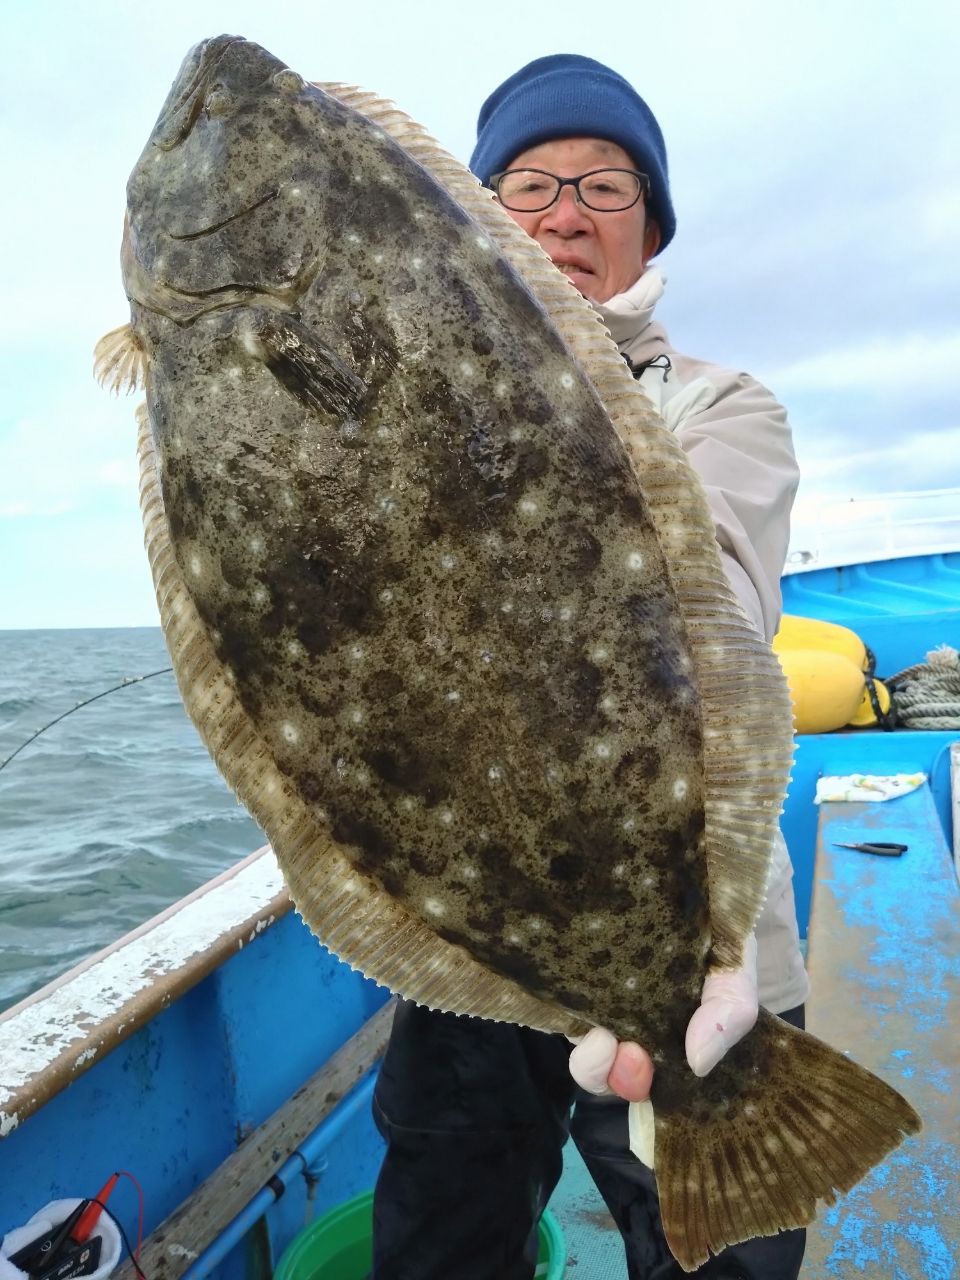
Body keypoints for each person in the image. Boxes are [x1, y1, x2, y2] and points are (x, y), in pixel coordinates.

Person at [371, 54, 809, 1280]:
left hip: (685, 923)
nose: (565, 212)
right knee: (441, 1241)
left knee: (724, 1254)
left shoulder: (724, 407)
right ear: (476, 214)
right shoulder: (402, 402)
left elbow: (716, 596)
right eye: (529, 184)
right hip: (470, 925)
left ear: (650, 225)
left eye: (605, 187)